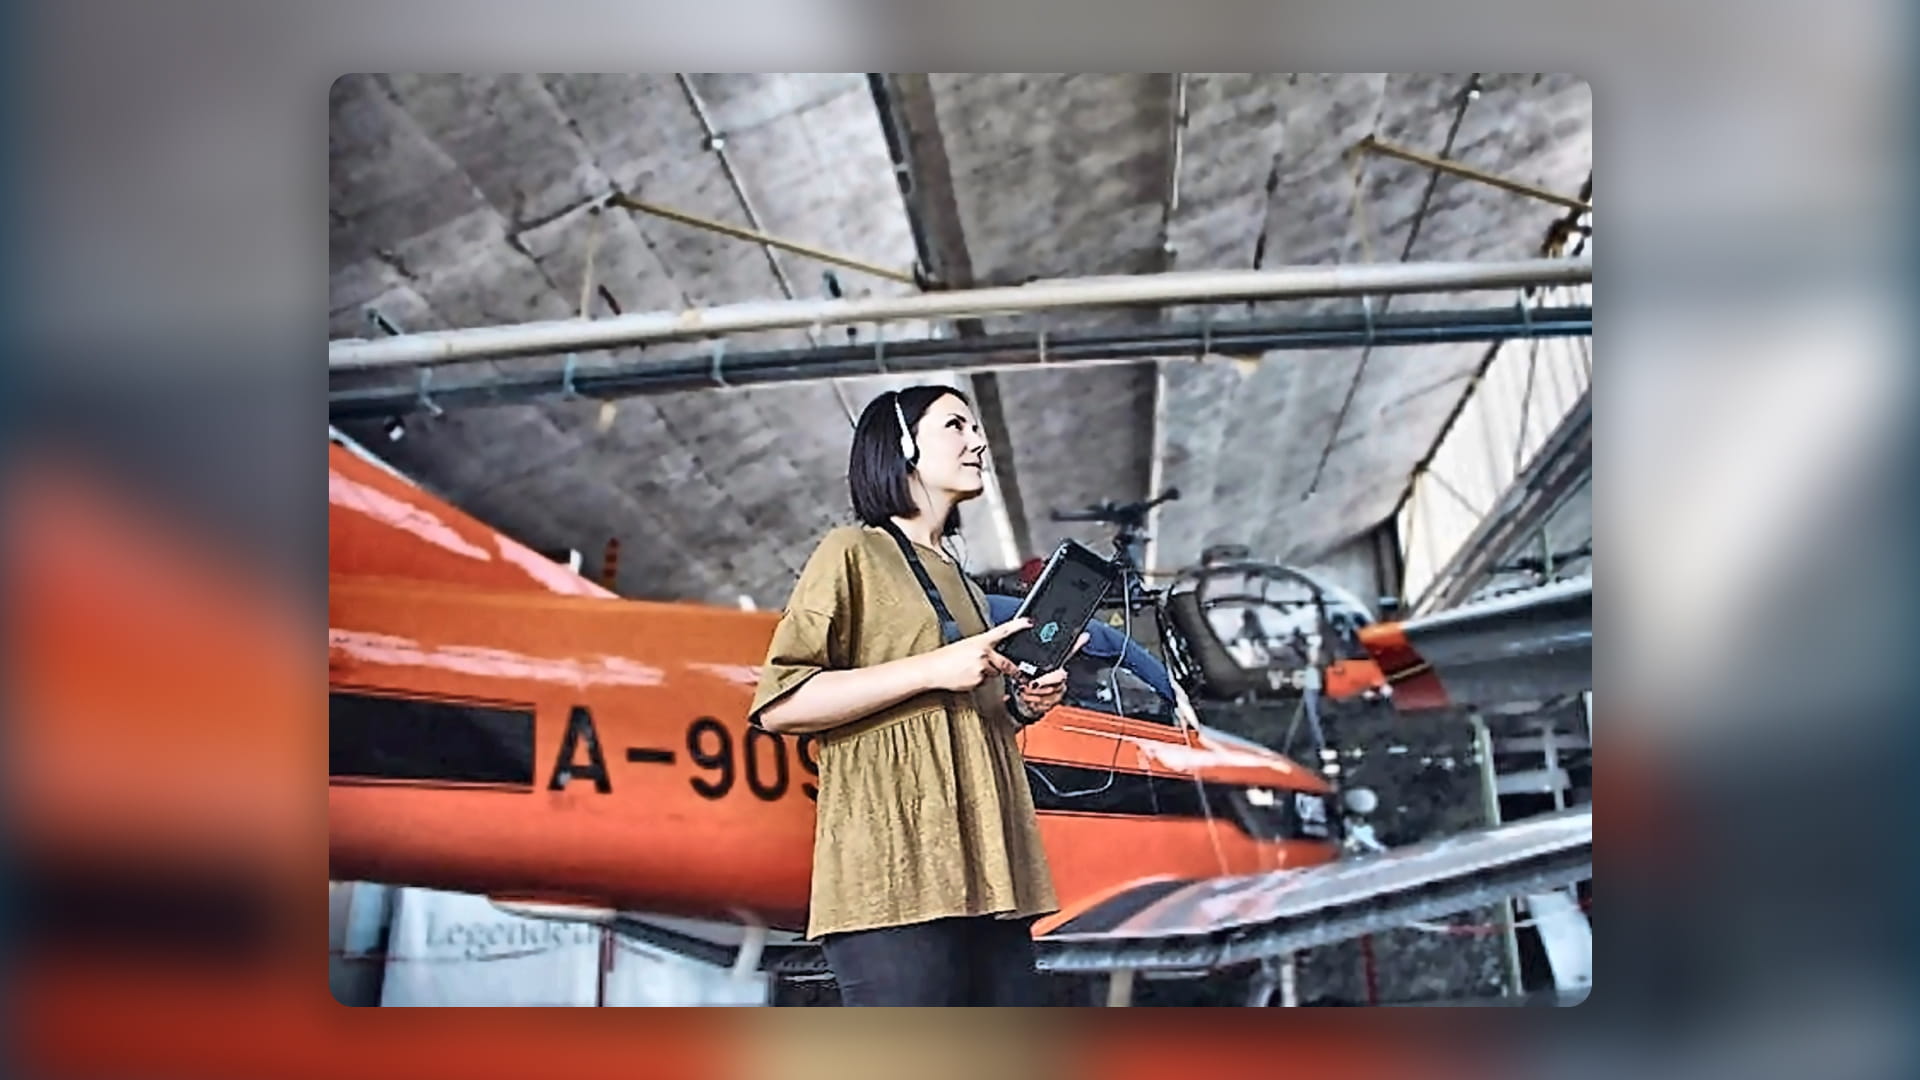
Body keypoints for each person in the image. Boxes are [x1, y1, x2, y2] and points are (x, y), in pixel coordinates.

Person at [748, 385, 1085, 1007]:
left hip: (988, 871)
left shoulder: (962, 581)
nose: (978, 441)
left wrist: (1017, 709)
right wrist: (934, 667)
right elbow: (782, 704)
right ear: (903, 446)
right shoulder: (851, 552)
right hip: (892, 872)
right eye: (956, 425)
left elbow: (953, 718)